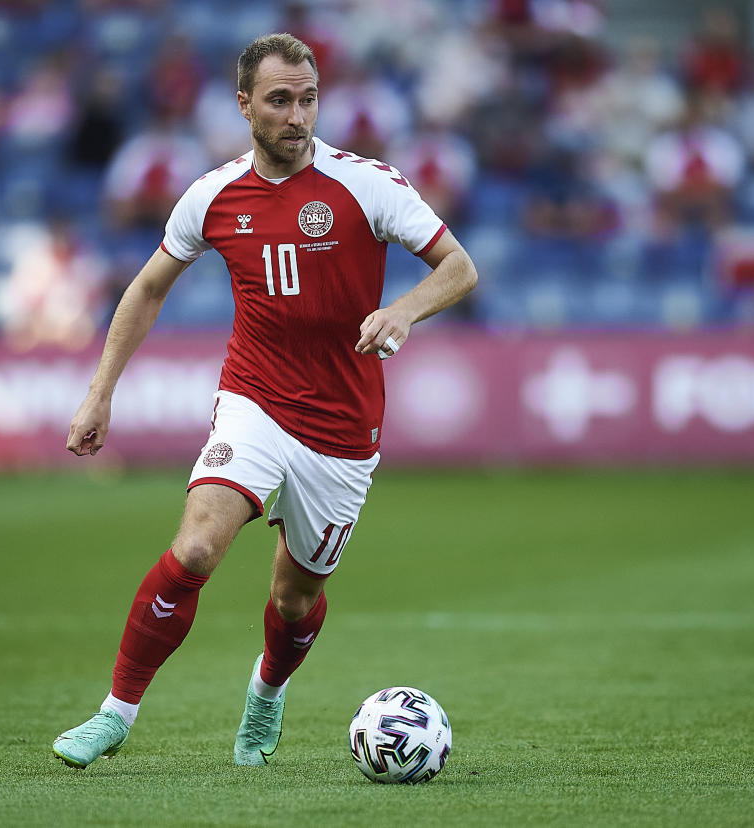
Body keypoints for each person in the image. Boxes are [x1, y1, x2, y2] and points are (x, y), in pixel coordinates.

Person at [51, 33, 477, 770]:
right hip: (254, 399)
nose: (297, 115)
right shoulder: (212, 196)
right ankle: (115, 714)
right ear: (244, 105)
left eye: (308, 99)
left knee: (294, 599)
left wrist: (404, 309)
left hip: (343, 426)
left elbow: (459, 267)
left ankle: (267, 692)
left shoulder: (366, 184)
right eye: (279, 100)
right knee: (196, 545)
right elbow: (149, 285)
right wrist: (100, 393)